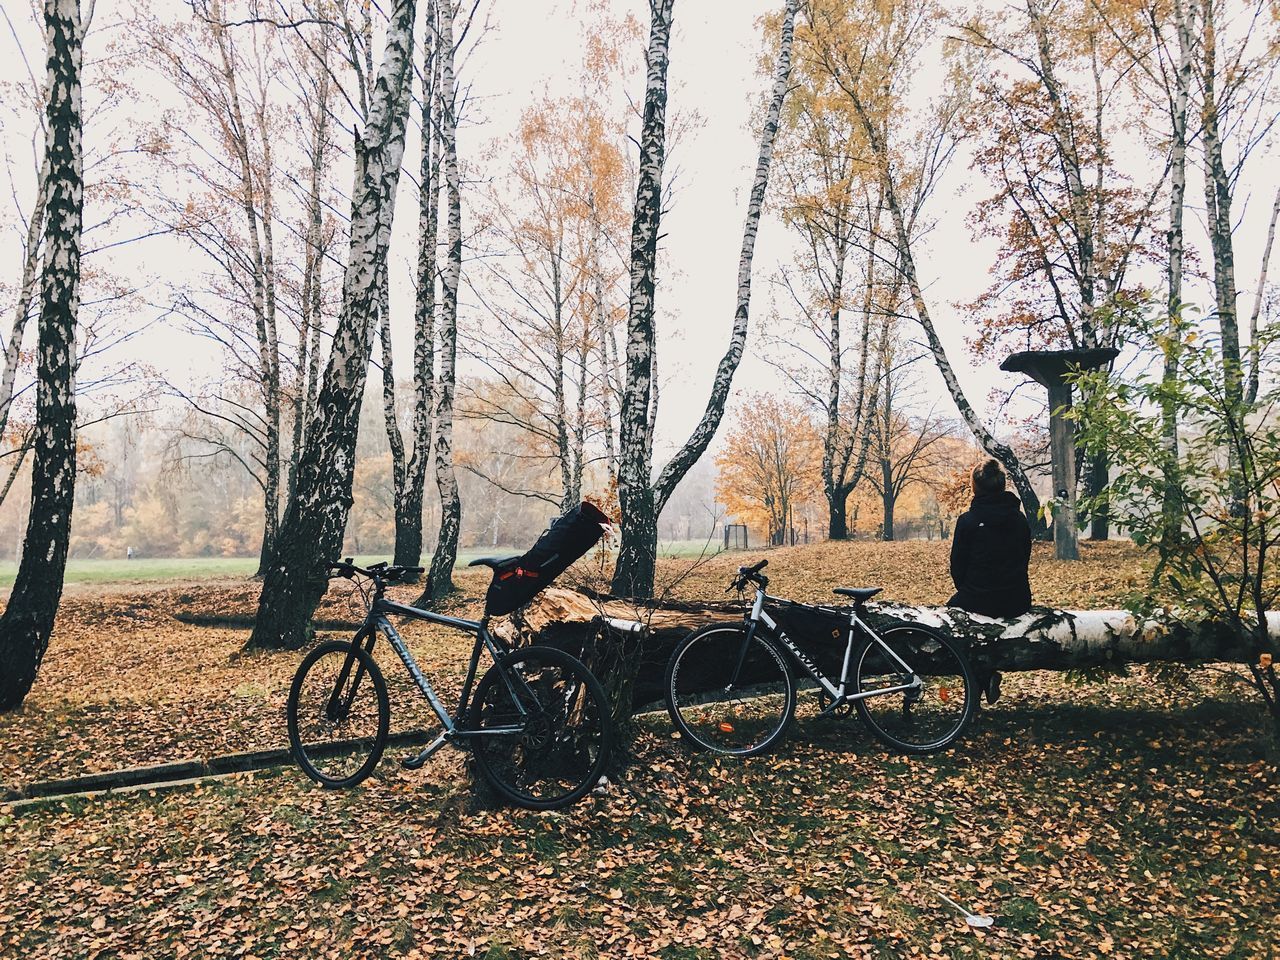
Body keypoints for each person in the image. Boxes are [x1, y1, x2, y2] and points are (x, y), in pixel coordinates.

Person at [948, 458, 1032, 619]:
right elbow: (1023, 558)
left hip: (976, 600)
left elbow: (957, 566)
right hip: (1017, 601)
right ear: (1003, 485)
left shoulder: (967, 521)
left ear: (975, 487)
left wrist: (972, 590)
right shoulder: (1020, 519)